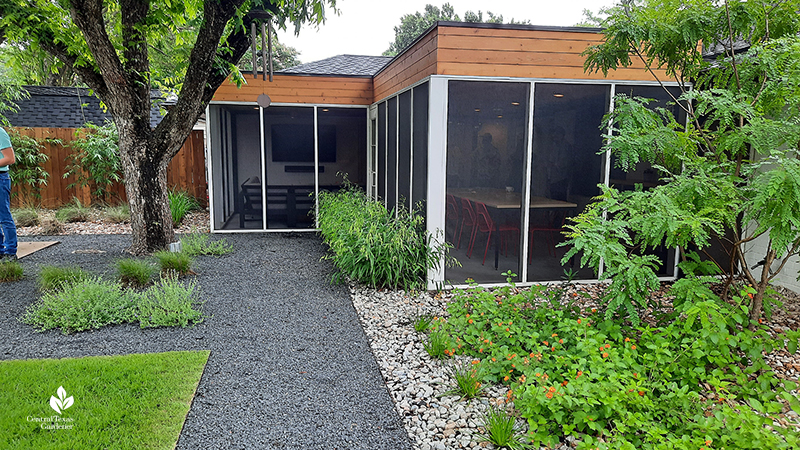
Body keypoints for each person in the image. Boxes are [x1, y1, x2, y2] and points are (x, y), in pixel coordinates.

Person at [0, 126, 17, 262]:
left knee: (4, 216)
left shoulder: (0, 132)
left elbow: (10, 158)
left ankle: (10, 251)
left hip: (1, 178)